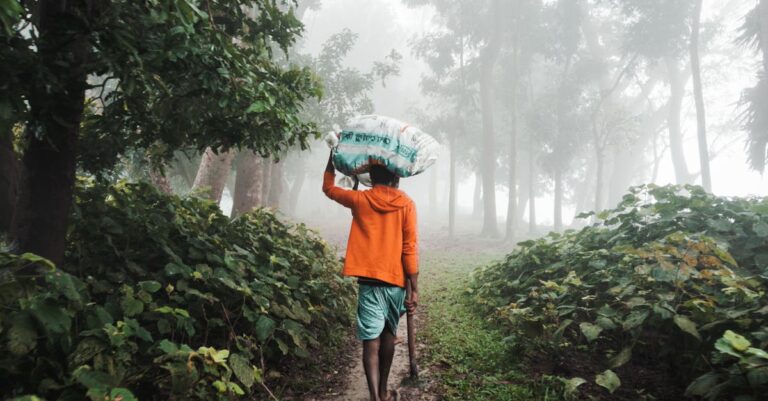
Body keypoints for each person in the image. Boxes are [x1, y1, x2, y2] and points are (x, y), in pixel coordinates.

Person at [322, 152, 419, 401]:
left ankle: (375, 396)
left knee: (370, 340)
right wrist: (414, 286)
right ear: (396, 178)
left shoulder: (360, 200)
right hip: (396, 281)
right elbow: (409, 247)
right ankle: (385, 390)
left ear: (371, 178)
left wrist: (331, 159)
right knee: (388, 334)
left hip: (368, 280)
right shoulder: (406, 204)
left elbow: (329, 189)